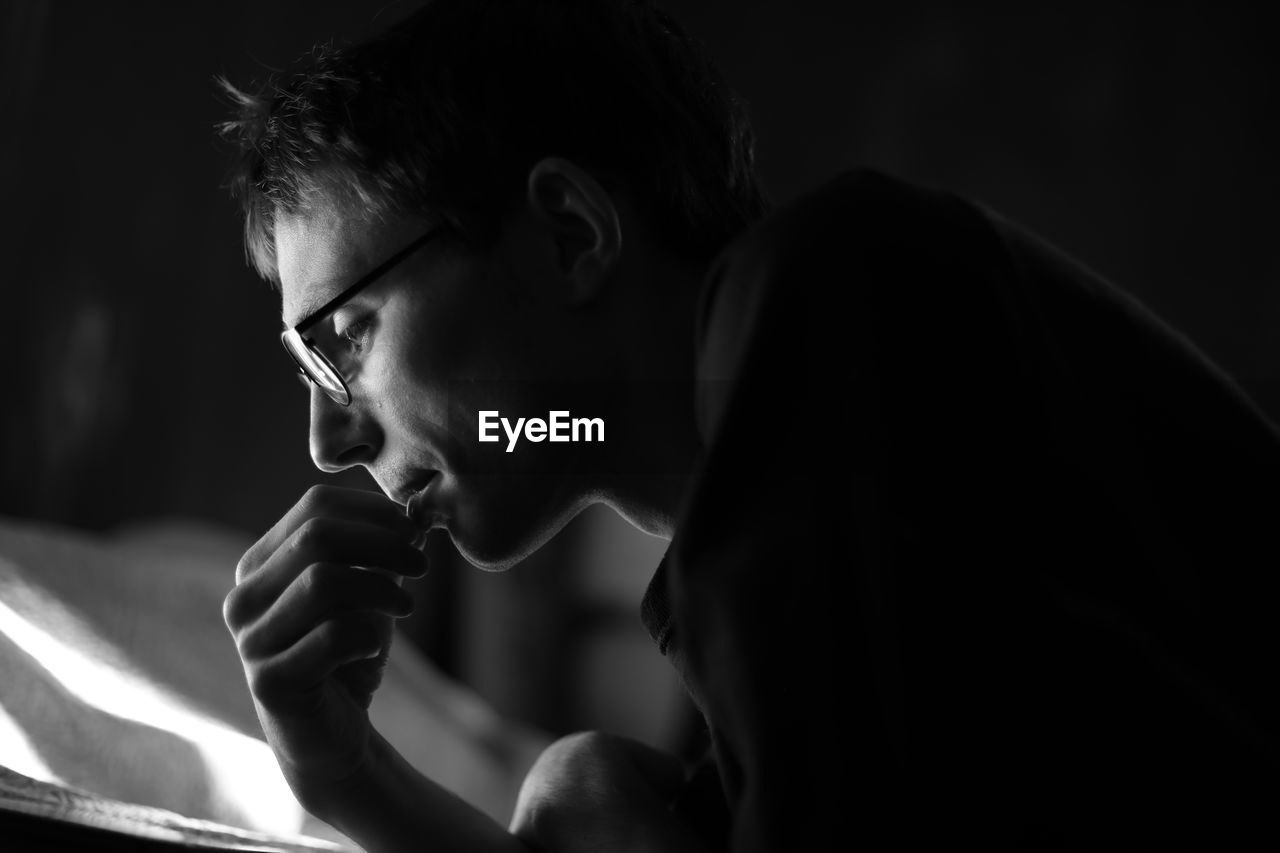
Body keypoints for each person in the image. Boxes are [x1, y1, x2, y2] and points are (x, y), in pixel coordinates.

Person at [218, 0, 1280, 850]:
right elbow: (550, 434)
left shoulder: (821, 291)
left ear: (567, 232)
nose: (328, 437)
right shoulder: (794, 488)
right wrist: (344, 773)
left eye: (344, 340)